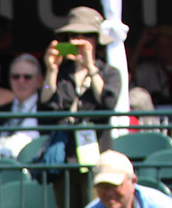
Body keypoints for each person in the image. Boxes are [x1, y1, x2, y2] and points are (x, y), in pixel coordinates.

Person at [40, 7, 123, 157]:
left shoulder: (110, 72)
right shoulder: (61, 72)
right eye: (74, 35)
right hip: (66, 154)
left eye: (87, 35)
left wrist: (90, 67)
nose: (80, 40)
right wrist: (51, 70)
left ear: (97, 40)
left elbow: (108, 102)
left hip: (99, 150)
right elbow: (46, 100)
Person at [0, 54, 45, 158]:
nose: (21, 81)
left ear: (39, 81)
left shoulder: (48, 112)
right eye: (16, 77)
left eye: (27, 77)